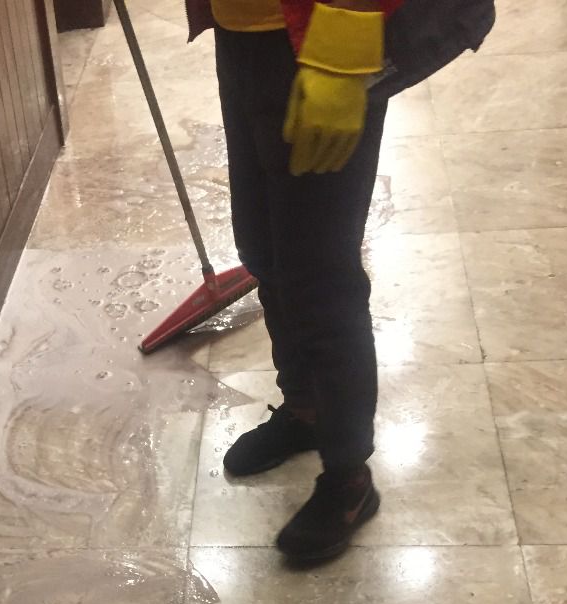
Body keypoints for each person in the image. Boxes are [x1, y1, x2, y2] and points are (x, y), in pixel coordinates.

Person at [185, 0, 494, 564]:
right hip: (244, 31)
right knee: (263, 249)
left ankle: (349, 477)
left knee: (318, 272)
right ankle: (305, 410)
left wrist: (342, 57)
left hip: (316, 39)